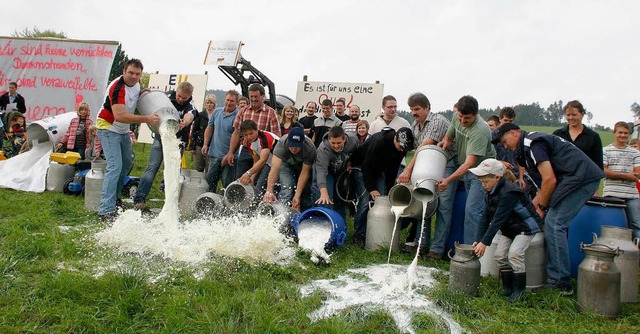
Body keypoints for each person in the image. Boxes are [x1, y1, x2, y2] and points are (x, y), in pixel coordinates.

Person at [493, 122, 604, 294]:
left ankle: (560, 282)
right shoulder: (526, 149)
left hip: (581, 178)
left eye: (504, 140)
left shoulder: (532, 144)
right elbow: (543, 186)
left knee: (554, 223)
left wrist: (542, 207)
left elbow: (550, 180)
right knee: (550, 221)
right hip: (570, 180)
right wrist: (533, 206)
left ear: (515, 132)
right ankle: (554, 274)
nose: (505, 146)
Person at [470, 159, 543, 302]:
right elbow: (485, 216)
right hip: (509, 227)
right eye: (482, 182)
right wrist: (478, 239)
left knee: (515, 254)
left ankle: (520, 292)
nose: (483, 185)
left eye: (486, 181)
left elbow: (498, 218)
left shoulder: (509, 192)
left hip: (525, 227)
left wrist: (485, 242)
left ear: (497, 177)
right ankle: (508, 288)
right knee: (500, 255)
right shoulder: (490, 191)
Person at [96, 59, 160, 221]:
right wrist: (146, 118)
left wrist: (142, 93)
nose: (134, 77)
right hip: (108, 127)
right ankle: (105, 210)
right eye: (130, 73)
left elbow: (133, 99)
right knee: (115, 166)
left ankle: (115, 198)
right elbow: (120, 115)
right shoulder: (117, 88)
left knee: (127, 164)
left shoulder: (136, 84)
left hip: (122, 130)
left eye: (137, 74)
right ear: (124, 71)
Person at [397, 92, 457, 260]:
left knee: (443, 206)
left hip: (447, 163)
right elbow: (416, 150)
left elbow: (424, 146)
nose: (414, 113)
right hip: (427, 165)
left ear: (427, 107)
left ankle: (437, 249)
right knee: (424, 202)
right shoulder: (415, 125)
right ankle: (421, 244)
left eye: (417, 109)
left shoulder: (437, 121)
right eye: (411, 110)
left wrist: (408, 169)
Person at [438, 96, 496, 245]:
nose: (463, 121)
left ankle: (472, 252)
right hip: (466, 167)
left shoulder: (480, 130)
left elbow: (470, 163)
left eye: (467, 118)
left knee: (473, 211)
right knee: (470, 211)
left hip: (482, 172)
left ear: (475, 114)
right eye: (461, 116)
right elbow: (449, 135)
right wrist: (445, 143)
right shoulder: (456, 117)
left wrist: (448, 179)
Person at [134, 81, 197, 210]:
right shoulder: (167, 96)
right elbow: (153, 98)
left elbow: (190, 115)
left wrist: (184, 122)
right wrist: (145, 92)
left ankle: (171, 203)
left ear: (189, 96)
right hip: (161, 137)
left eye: (184, 98)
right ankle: (139, 198)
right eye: (179, 96)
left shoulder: (191, 104)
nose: (180, 99)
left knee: (173, 171)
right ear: (176, 91)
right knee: (152, 167)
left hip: (177, 141)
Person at [350, 127, 414, 248]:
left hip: (379, 169)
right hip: (361, 166)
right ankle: (359, 235)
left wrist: (389, 188)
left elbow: (393, 168)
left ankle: (376, 231)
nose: (402, 150)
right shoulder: (379, 142)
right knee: (365, 201)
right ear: (395, 138)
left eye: (404, 148)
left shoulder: (401, 148)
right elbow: (366, 166)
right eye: (400, 147)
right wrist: (372, 188)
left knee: (381, 198)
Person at [225, 84, 281, 179]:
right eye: (251, 97)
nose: (253, 99)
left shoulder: (271, 113)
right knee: (240, 178)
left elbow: (277, 135)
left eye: (256, 97)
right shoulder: (243, 111)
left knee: (259, 179)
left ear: (263, 96)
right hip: (247, 149)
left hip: (264, 150)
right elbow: (236, 133)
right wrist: (231, 152)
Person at [263, 126, 316, 211]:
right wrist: (269, 191)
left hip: (302, 166)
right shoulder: (282, 143)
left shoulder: (310, 148)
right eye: (291, 146)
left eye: (297, 146)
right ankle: (281, 214)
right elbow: (274, 169)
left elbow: (305, 173)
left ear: (302, 143)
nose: (294, 149)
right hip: (286, 164)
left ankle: (303, 215)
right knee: (287, 188)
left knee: (305, 191)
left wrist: (297, 196)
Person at [603, 121, 640, 240]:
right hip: (611, 194)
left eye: (626, 133)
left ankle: (635, 254)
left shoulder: (635, 153)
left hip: (632, 195)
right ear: (614, 133)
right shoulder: (605, 151)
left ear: (629, 134)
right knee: (613, 225)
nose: (623, 135)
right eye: (620, 132)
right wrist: (626, 176)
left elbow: (637, 174)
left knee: (636, 224)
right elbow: (603, 171)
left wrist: (614, 174)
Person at [314, 126, 359, 221]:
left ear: (344, 139)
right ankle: (325, 226)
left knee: (340, 199)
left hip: (341, 170)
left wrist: (351, 162)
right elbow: (321, 171)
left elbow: (358, 152)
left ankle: (340, 225)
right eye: (333, 143)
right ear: (329, 140)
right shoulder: (323, 149)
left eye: (339, 143)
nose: (336, 146)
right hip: (326, 171)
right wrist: (323, 192)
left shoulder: (353, 141)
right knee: (326, 199)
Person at [202, 90, 239, 193]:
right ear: (224, 100)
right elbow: (209, 127)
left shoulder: (238, 115)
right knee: (209, 182)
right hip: (214, 154)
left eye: (232, 101)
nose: (229, 103)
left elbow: (238, 136)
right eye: (227, 100)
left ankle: (224, 206)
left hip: (229, 157)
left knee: (226, 185)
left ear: (236, 102)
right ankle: (208, 203)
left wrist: (230, 153)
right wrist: (205, 144)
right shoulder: (217, 112)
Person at [552, 100, 603, 170]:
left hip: (585, 178)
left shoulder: (593, 137)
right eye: (568, 115)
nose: (571, 118)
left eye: (574, 115)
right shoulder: (557, 134)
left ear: (582, 114)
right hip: (562, 178)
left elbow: (598, 164)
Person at [238, 120, 279, 195]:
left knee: (275, 187)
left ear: (257, 130)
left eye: (251, 133)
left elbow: (263, 159)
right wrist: (252, 177)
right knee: (259, 187)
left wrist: (248, 173)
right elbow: (256, 161)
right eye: (246, 135)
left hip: (282, 164)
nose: (249, 137)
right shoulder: (248, 142)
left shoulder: (265, 137)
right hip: (269, 164)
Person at [494, 107, 525, 189]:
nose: (507, 123)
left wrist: (521, 177)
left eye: (510, 121)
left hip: (514, 175)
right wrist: (500, 162)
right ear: (500, 119)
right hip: (497, 174)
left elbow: (520, 159)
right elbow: (487, 157)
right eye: (505, 120)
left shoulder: (516, 137)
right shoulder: (492, 136)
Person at [189, 94, 217, 172]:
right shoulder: (200, 115)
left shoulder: (217, 116)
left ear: (214, 104)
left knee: (209, 169)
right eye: (207, 102)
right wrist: (192, 146)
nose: (209, 105)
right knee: (198, 167)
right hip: (199, 144)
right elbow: (194, 130)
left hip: (212, 146)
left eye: (211, 103)